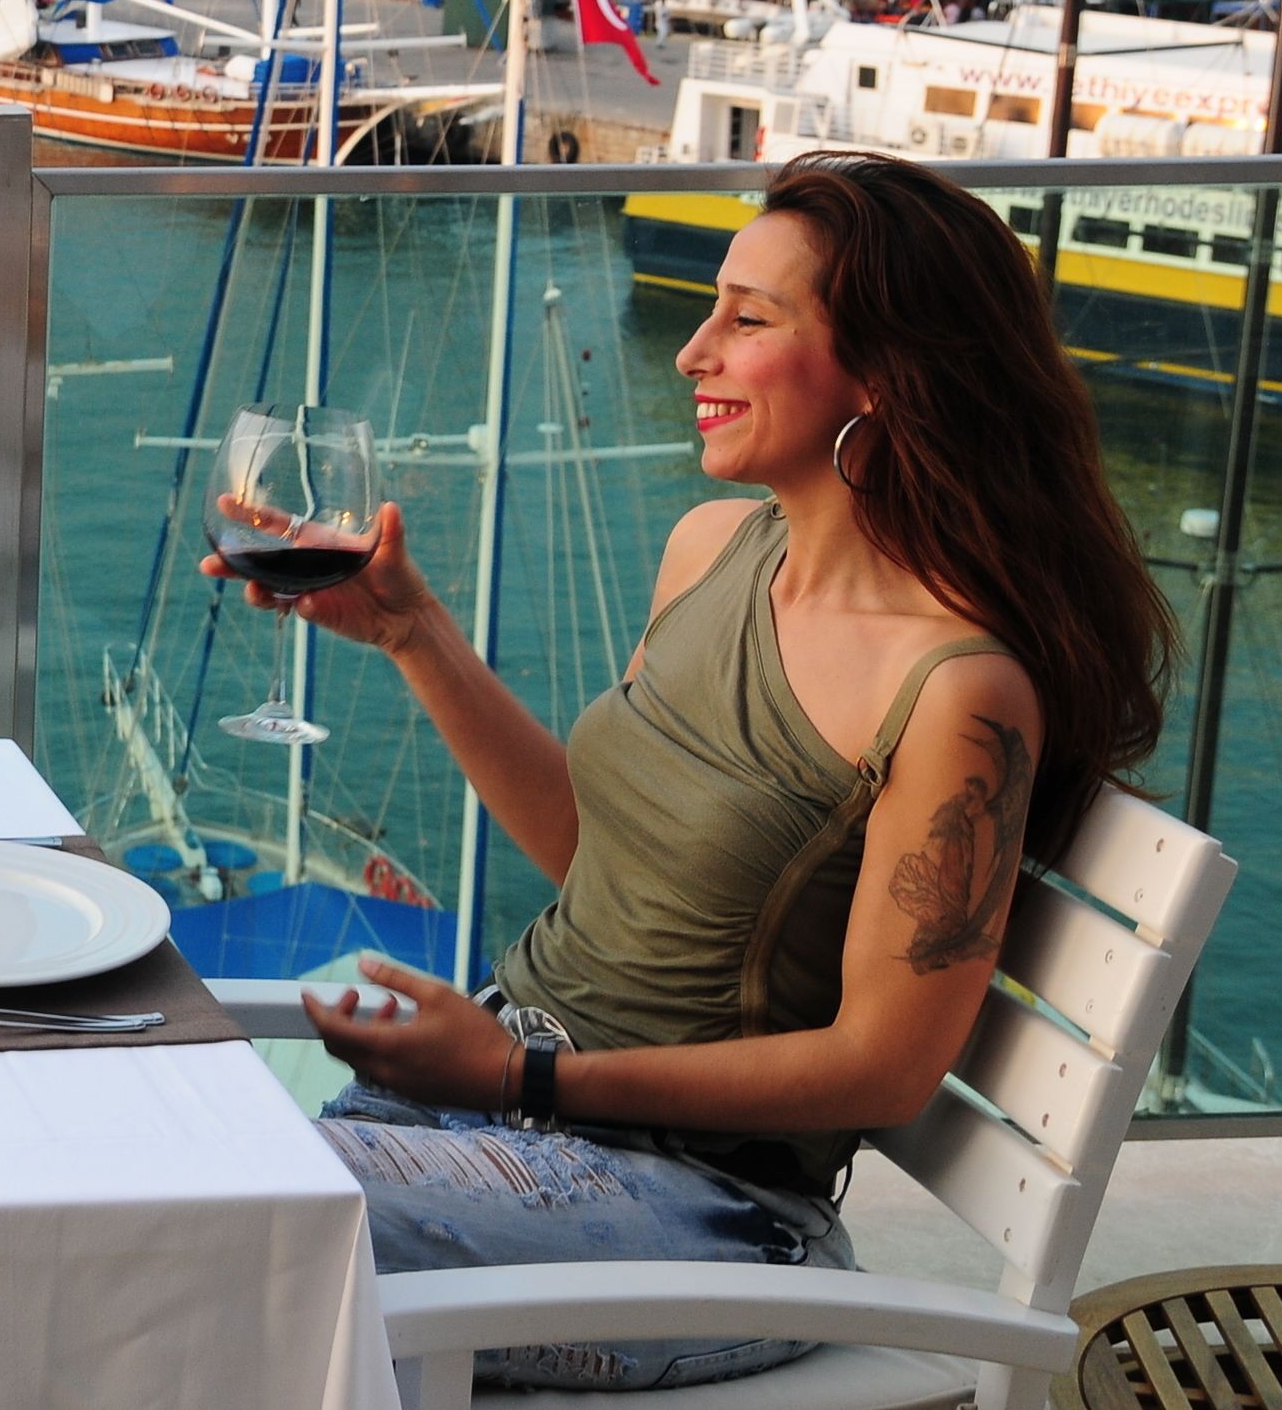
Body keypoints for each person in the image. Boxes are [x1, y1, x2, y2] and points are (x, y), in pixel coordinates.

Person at [212, 150, 1174, 1391]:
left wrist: (521, 1074)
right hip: (494, 1122)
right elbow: (599, 859)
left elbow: (886, 1063)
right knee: (163, 1203)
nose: (691, 350)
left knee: (236, 1233)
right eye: (712, 306)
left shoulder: (953, 691)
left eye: (749, 319)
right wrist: (411, 631)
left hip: (703, 1216)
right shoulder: (712, 548)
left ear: (883, 376)